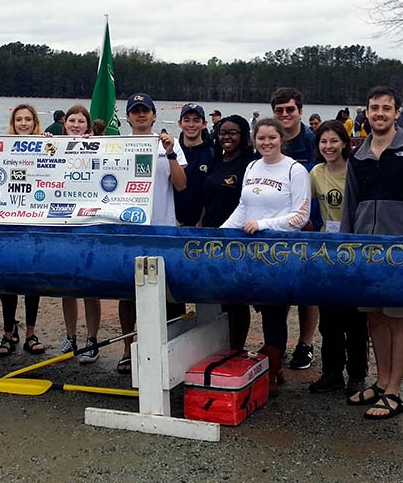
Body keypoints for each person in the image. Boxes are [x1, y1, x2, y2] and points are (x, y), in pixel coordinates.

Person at [341, 86, 403, 419]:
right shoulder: (358, 155)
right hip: (366, 252)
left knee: (397, 320)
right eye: (373, 108)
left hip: (399, 253)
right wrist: (348, 248)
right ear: (365, 113)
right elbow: (350, 206)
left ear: (398, 113)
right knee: (375, 319)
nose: (379, 113)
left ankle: (395, 391)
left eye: (386, 108)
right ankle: (380, 382)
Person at [221, 117, 311, 395]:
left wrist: (264, 225)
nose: (266, 143)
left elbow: (301, 215)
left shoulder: (295, 170)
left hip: (278, 252)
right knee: (236, 304)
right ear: (254, 140)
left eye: (272, 138)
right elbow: (243, 207)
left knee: (273, 312)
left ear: (281, 139)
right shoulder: (251, 166)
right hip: (248, 250)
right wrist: (221, 232)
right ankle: (235, 359)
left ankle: (273, 371)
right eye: (261, 138)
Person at [116, 92, 187, 374]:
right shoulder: (117, 144)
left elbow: (181, 185)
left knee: (169, 291)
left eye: (146, 110)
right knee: (127, 292)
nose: (141, 115)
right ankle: (126, 348)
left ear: (155, 115)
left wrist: (169, 152)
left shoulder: (169, 144)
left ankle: (170, 349)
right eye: (136, 111)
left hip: (163, 227)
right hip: (130, 227)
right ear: (128, 117)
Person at [307, 120, 369, 397]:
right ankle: (331, 373)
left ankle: (357, 375)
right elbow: (302, 207)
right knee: (329, 319)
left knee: (355, 319)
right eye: (323, 142)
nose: (328, 147)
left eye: (334, 141)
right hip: (327, 251)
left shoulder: (356, 171)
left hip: (354, 251)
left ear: (345, 143)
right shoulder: (316, 173)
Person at [270, 87, 318, 371]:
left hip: (309, 225)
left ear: (300, 110)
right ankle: (278, 344)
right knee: (280, 288)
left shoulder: (314, 142)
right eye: (279, 110)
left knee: (307, 290)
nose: (285, 115)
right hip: (278, 225)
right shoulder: (270, 140)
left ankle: (306, 343)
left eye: (290, 109)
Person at [200, 115, 255, 351]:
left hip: (236, 239)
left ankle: (236, 349)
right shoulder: (216, 161)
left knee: (235, 299)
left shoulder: (251, 164)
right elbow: (207, 199)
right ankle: (216, 347)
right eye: (223, 132)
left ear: (243, 136)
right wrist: (200, 226)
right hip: (211, 234)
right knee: (213, 295)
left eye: (233, 133)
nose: (227, 137)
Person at [0, 104, 45, 357]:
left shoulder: (48, 146)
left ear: (35, 122)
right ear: (12, 123)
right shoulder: (2, 146)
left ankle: (30, 333)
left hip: (35, 225)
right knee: (7, 282)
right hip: (8, 224)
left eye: (28, 119)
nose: (23, 123)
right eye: (18, 120)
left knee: (32, 282)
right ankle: (7, 333)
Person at [57, 104, 102, 363]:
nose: (76, 125)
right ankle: (70, 337)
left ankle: (92, 340)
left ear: (88, 125)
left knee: (90, 287)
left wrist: (95, 144)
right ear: (65, 124)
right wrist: (46, 144)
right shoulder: (55, 146)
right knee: (66, 286)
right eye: (71, 120)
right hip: (62, 225)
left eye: (80, 121)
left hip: (90, 226)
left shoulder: (98, 146)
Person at [175, 103, 213, 226]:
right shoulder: (171, 152)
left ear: (204, 124)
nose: (191, 125)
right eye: (187, 120)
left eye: (196, 121)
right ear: (179, 123)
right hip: (172, 222)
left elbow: (213, 193)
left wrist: (202, 220)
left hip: (201, 225)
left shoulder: (213, 154)